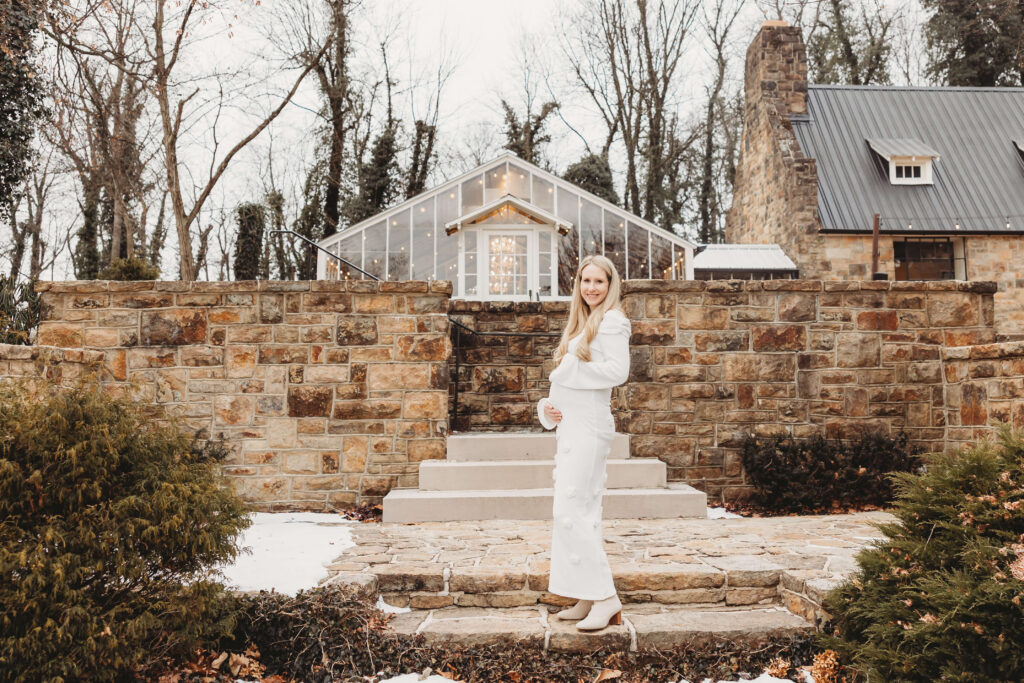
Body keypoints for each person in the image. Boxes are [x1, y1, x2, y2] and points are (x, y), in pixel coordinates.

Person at [536, 254, 631, 631]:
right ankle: (586, 594)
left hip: (590, 429)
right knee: (573, 514)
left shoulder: (612, 321)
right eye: (585, 281)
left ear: (611, 285)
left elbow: (617, 372)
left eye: (599, 282)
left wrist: (570, 371)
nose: (591, 288)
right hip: (571, 429)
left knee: (573, 512)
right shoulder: (584, 322)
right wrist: (549, 405)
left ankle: (606, 599)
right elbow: (562, 383)